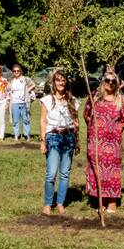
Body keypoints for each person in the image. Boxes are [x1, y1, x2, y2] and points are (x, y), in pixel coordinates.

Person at [84, 73, 124, 214]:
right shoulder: (95, 96)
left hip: (113, 143)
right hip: (96, 141)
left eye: (113, 81)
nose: (110, 83)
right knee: (98, 170)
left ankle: (112, 201)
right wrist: (94, 130)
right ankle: (100, 200)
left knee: (112, 172)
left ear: (117, 83)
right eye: (107, 80)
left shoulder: (121, 99)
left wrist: (114, 131)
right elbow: (86, 114)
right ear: (102, 81)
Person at [39, 70, 79, 215]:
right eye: (58, 80)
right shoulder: (47, 100)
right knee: (51, 173)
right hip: (53, 137)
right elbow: (43, 121)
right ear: (53, 83)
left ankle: (60, 202)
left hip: (68, 137)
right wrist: (43, 141)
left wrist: (77, 141)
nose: (61, 83)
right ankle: (48, 203)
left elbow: (76, 122)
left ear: (66, 82)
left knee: (65, 173)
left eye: (63, 80)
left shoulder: (72, 100)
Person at [9, 65, 35, 141]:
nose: (16, 72)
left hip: (24, 103)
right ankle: (16, 136)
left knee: (25, 120)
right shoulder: (11, 80)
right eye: (14, 71)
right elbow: (8, 90)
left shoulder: (25, 79)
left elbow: (33, 85)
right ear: (12, 72)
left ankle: (27, 136)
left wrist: (28, 90)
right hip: (14, 103)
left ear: (20, 71)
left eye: (18, 71)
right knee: (15, 121)